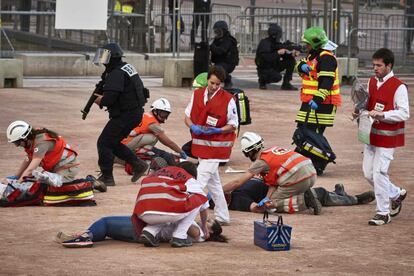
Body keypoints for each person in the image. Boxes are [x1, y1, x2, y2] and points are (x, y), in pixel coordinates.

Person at [59, 162, 227, 248]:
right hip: (148, 223)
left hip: (143, 224)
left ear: (211, 233)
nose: (207, 220)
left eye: (210, 223)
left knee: (106, 222)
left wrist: (200, 225)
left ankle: (84, 236)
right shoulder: (188, 212)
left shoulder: (201, 235)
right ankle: (84, 235)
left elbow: (194, 215)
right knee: (106, 224)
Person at [352, 48, 409, 226]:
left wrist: (382, 115)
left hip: (387, 138)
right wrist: (359, 111)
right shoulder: (371, 82)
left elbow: (404, 113)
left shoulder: (399, 86)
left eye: (379, 65)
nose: (375, 68)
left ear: (389, 65)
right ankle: (396, 194)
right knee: (368, 174)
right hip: (370, 136)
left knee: (379, 173)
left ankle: (383, 213)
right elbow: (367, 103)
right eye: (374, 65)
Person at [184, 65, 238, 225]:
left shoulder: (228, 99)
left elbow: (233, 123)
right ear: (207, 80)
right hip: (201, 148)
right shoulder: (197, 94)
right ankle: (223, 217)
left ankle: (186, 218)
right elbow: (187, 116)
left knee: (198, 183)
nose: (214, 87)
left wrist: (218, 129)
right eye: (212, 83)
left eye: (218, 84)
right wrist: (191, 126)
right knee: (215, 185)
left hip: (217, 150)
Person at [224, 132, 322, 215]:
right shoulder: (272, 151)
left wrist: (218, 191)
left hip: (298, 178)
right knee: (270, 199)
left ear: (248, 153)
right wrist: (267, 197)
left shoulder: (261, 162)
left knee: (269, 206)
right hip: (311, 174)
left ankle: (305, 201)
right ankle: (310, 195)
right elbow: (273, 184)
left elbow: (237, 182)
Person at [92, 42, 148, 187]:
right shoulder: (125, 67)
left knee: (103, 143)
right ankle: (138, 165)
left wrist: (100, 100)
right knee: (113, 143)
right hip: (133, 113)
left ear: (113, 57)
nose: (103, 60)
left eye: (105, 57)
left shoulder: (116, 73)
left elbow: (110, 98)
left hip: (126, 115)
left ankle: (107, 177)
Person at [214, 178, 375, 213]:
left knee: (319, 193)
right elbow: (256, 209)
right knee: (320, 194)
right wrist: (266, 202)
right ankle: (355, 199)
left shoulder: (233, 189)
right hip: (281, 194)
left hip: (279, 186)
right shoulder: (236, 201)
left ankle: (339, 194)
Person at [295, 27, 341, 134]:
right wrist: (301, 65)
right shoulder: (314, 54)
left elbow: (327, 82)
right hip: (310, 102)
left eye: (308, 43)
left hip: (322, 104)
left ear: (315, 43)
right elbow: (301, 62)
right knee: (302, 134)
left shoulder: (326, 58)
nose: (306, 46)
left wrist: (317, 99)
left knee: (312, 138)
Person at [5, 121, 79, 187]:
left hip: (67, 169)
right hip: (56, 169)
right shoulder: (32, 139)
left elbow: (30, 170)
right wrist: (16, 177)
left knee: (42, 186)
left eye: (17, 143)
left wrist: (17, 184)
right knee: (33, 181)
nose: (17, 146)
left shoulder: (41, 143)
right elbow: (28, 159)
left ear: (25, 138)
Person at [117, 98, 188, 166]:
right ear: (155, 111)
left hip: (124, 143)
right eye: (162, 113)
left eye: (166, 114)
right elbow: (167, 142)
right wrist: (180, 151)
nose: (164, 116)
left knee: (152, 139)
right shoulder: (152, 123)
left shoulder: (146, 115)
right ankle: (138, 154)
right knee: (153, 137)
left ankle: (137, 154)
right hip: (126, 144)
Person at [255, 23, 298, 90]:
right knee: (277, 77)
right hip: (264, 69)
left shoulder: (276, 44)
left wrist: (292, 54)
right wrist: (277, 53)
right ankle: (262, 81)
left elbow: (284, 55)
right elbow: (265, 58)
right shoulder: (265, 43)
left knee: (291, 61)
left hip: (274, 65)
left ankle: (286, 84)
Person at [210, 21, 239, 88]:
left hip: (229, 63)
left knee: (217, 69)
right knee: (211, 68)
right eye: (216, 31)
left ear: (223, 31)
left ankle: (228, 80)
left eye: (218, 31)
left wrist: (211, 46)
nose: (216, 33)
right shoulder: (217, 39)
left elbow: (221, 51)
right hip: (220, 62)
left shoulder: (228, 40)